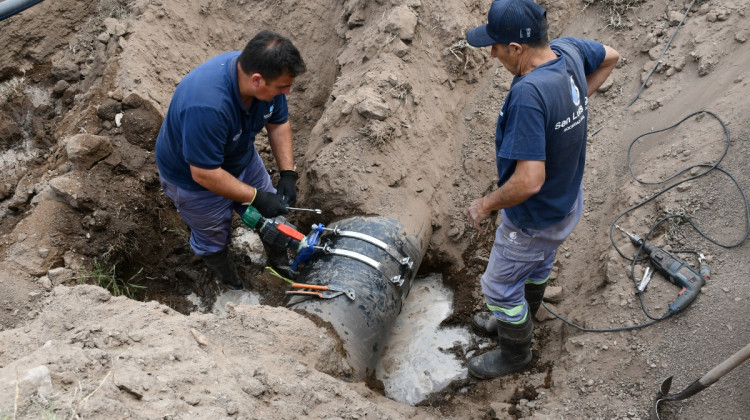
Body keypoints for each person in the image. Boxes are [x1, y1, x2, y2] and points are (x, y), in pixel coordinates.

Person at [464, 0, 619, 379]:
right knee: (539, 263)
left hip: (535, 217)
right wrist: (578, 99)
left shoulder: (529, 95)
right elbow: (612, 56)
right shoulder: (567, 51)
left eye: (495, 46)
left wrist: (486, 204)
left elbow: (528, 181)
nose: (492, 54)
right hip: (565, 201)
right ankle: (523, 317)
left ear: (515, 48)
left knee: (499, 287)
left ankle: (516, 353)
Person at [155, 29, 307, 290]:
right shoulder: (207, 105)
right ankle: (230, 284)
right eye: (283, 87)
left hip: (241, 159)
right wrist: (256, 197)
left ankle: (279, 266)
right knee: (213, 239)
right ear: (257, 80)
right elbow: (205, 174)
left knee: (273, 219)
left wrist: (287, 174)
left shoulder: (267, 81)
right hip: (195, 182)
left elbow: (278, 124)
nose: (288, 92)